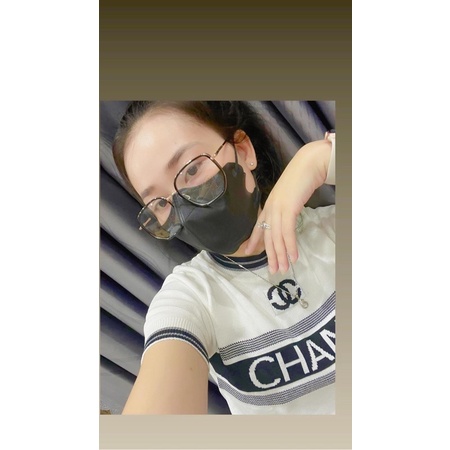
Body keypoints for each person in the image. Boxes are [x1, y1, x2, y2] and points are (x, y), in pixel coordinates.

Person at [112, 101, 335, 415]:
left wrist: (318, 159)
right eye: (159, 203)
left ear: (243, 150)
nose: (182, 207)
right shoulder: (192, 297)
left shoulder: (334, 228)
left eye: (192, 169)